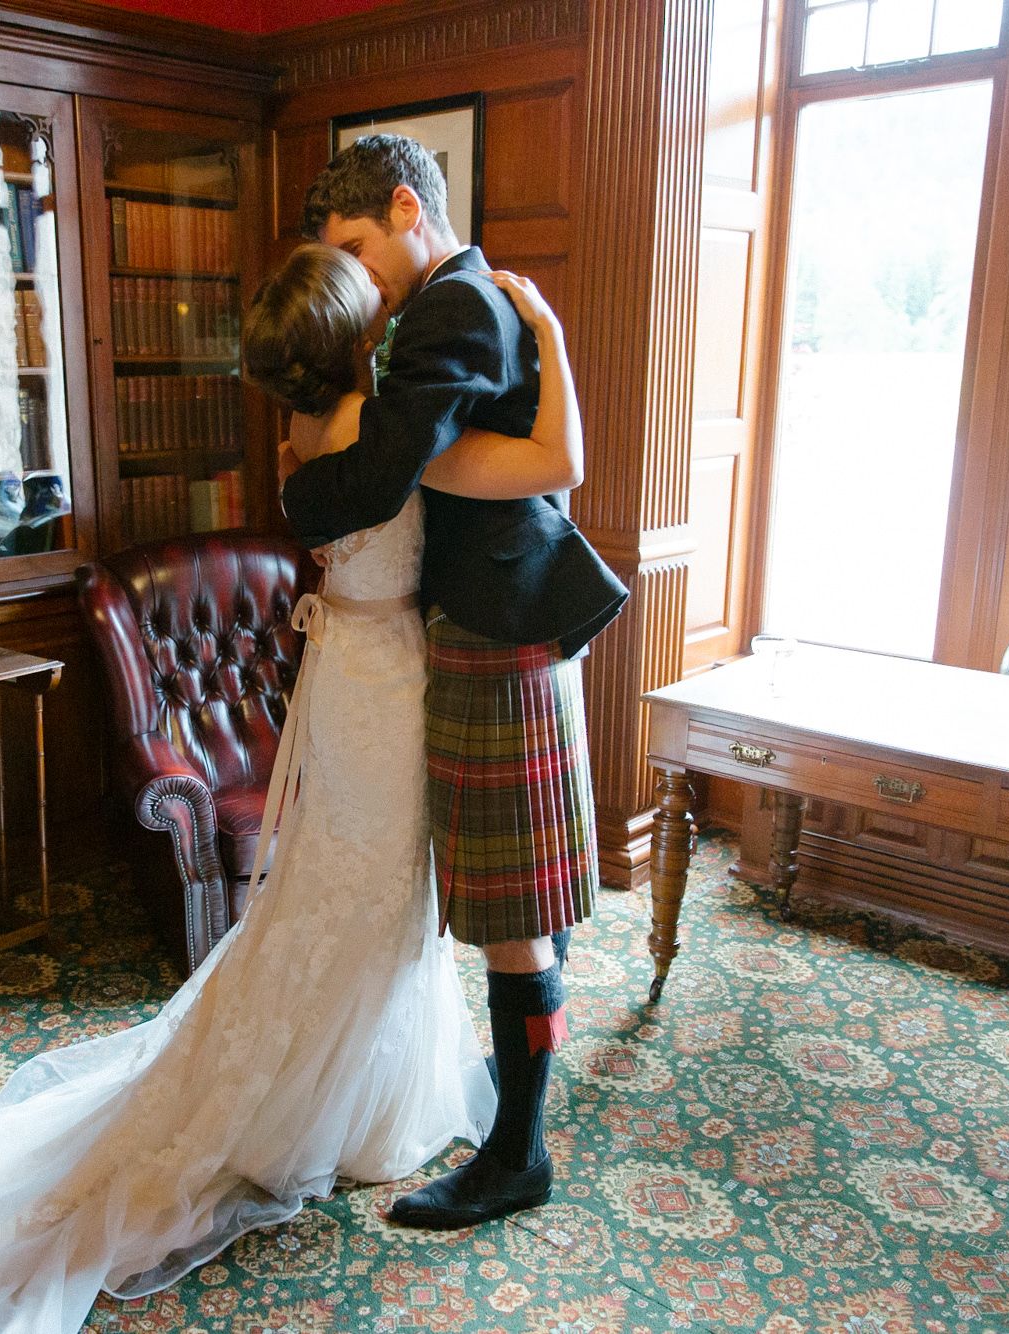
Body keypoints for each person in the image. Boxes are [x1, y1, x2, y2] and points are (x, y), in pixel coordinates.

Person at [0, 241, 591, 1333]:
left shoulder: (316, 440)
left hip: (364, 676)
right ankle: (323, 1105)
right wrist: (543, 334)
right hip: (386, 685)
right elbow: (548, 461)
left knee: (361, 899)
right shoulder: (393, 442)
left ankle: (357, 1095)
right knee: (364, 896)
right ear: (362, 339)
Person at [282, 134, 628, 1229]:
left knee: (510, 914)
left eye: (353, 248)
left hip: (490, 631)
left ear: (401, 207)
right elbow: (502, 457)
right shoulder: (460, 299)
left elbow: (384, 470)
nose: (352, 276)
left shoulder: (445, 308)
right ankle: (516, 1108)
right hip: (500, 617)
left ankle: (515, 1152)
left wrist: (298, 490)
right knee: (520, 908)